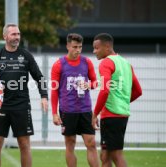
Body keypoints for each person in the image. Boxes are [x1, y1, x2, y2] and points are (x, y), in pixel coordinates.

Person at [0, 23, 48, 167]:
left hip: (21, 105)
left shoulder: (26, 56)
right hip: (0, 106)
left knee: (24, 144)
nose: (17, 37)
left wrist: (44, 96)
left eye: (18, 34)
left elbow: (39, 77)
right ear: (5, 37)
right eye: (13, 34)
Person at [92, 33, 142, 167]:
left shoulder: (106, 63)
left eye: (97, 48)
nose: (94, 51)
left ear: (107, 46)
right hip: (122, 114)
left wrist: (95, 113)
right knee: (105, 155)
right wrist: (122, 102)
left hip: (111, 116)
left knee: (116, 155)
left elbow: (104, 90)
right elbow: (138, 91)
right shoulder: (126, 63)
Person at [51, 33, 99, 167]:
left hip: (85, 109)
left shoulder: (87, 62)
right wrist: (54, 113)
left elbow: (95, 82)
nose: (77, 50)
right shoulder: (59, 64)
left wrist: (88, 85)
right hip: (68, 110)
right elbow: (54, 90)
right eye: (74, 47)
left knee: (91, 143)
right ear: (67, 46)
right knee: (70, 143)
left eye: (80, 47)